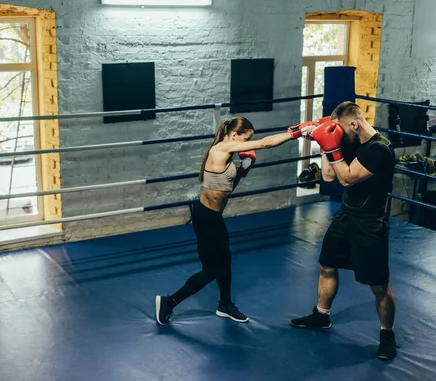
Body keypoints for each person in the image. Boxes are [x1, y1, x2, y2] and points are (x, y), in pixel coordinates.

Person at [155, 116, 313, 325]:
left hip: (214, 217)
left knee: (226, 260)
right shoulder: (220, 150)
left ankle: (225, 304)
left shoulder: (227, 153)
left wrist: (242, 170)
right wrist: (296, 132)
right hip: (205, 218)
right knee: (211, 270)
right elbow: (265, 143)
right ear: (234, 135)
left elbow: (226, 189)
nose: (246, 143)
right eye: (245, 138)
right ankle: (169, 302)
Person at [289, 101, 397, 361]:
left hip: (371, 222)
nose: (338, 134)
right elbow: (328, 176)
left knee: (378, 285)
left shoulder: (380, 149)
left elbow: (347, 178)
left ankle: (387, 335)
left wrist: (334, 147)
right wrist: (325, 143)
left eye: (340, 129)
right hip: (346, 215)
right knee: (327, 265)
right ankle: (321, 315)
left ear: (354, 124)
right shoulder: (348, 141)